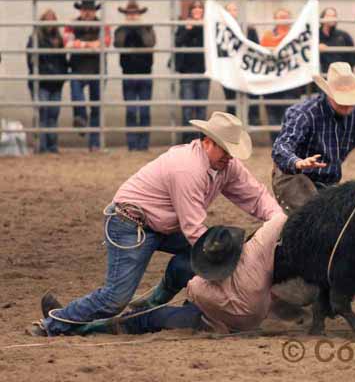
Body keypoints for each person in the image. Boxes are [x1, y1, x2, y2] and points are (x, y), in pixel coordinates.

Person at [30, 112, 283, 337]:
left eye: (232, 152)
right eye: (225, 150)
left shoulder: (226, 166)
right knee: (114, 298)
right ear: (207, 142)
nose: (229, 157)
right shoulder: (188, 169)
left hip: (163, 224)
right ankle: (52, 323)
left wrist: (279, 224)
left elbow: (256, 196)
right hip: (130, 224)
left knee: (197, 255)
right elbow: (194, 230)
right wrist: (230, 269)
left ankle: (153, 303)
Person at [39, 213, 289, 336]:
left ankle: (85, 328)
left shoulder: (213, 283)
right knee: (181, 266)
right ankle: (150, 302)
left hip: (216, 316)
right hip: (245, 307)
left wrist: (197, 285)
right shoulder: (258, 260)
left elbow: (197, 289)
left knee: (150, 318)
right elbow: (278, 219)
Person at [271, 62, 355, 212]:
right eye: (342, 99)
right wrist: (297, 162)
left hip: (328, 182)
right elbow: (281, 147)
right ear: (329, 94)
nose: (347, 105)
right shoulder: (305, 113)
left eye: (351, 100)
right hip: (292, 176)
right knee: (313, 216)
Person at [64, 0, 111, 151]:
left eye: (90, 10)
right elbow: (68, 43)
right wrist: (93, 45)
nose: (87, 12)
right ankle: (81, 118)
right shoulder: (71, 24)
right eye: (84, 9)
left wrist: (82, 44)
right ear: (80, 10)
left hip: (97, 68)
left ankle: (94, 143)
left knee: (96, 107)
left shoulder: (103, 24)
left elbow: (106, 42)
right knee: (77, 97)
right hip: (78, 67)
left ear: (95, 11)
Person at [114, 0, 156, 151]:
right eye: (129, 14)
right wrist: (127, 27)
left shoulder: (147, 28)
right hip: (128, 73)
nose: (132, 16)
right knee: (131, 110)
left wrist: (139, 28)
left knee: (144, 111)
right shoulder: (120, 30)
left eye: (134, 13)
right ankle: (132, 145)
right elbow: (118, 44)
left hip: (145, 73)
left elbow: (149, 43)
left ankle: (143, 145)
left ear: (139, 14)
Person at [26, 9, 68, 154]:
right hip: (42, 82)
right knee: (42, 113)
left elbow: (63, 61)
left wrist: (61, 76)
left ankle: (52, 146)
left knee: (53, 115)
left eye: (52, 19)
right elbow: (32, 61)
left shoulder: (59, 39)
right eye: (47, 19)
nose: (50, 22)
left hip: (55, 83)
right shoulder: (36, 38)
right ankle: (41, 146)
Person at [260, 8, 303, 143]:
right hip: (272, 82)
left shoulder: (297, 35)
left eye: (286, 16)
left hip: (291, 82)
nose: (283, 19)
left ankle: (289, 141)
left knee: (290, 111)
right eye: (280, 16)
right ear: (275, 19)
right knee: (273, 112)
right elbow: (263, 56)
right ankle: (275, 142)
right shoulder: (267, 36)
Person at [175, 0, 208, 144]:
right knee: (187, 107)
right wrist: (188, 29)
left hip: (203, 71)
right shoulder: (184, 25)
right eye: (194, 7)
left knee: (201, 108)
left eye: (200, 7)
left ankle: (200, 140)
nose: (197, 10)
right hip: (187, 71)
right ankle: (187, 140)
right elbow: (178, 41)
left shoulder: (208, 26)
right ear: (190, 10)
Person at [221, 2, 260, 125]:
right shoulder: (220, 30)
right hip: (228, 70)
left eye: (235, 10)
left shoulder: (250, 29)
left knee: (252, 96)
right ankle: (231, 127)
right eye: (230, 10)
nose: (233, 13)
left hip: (246, 69)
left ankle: (252, 123)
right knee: (231, 100)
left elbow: (257, 48)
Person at [318, 7, 355, 74]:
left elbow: (353, 58)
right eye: (328, 16)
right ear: (322, 18)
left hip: (341, 75)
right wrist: (316, 49)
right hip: (322, 75)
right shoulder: (315, 36)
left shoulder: (344, 36)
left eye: (334, 16)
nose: (332, 18)